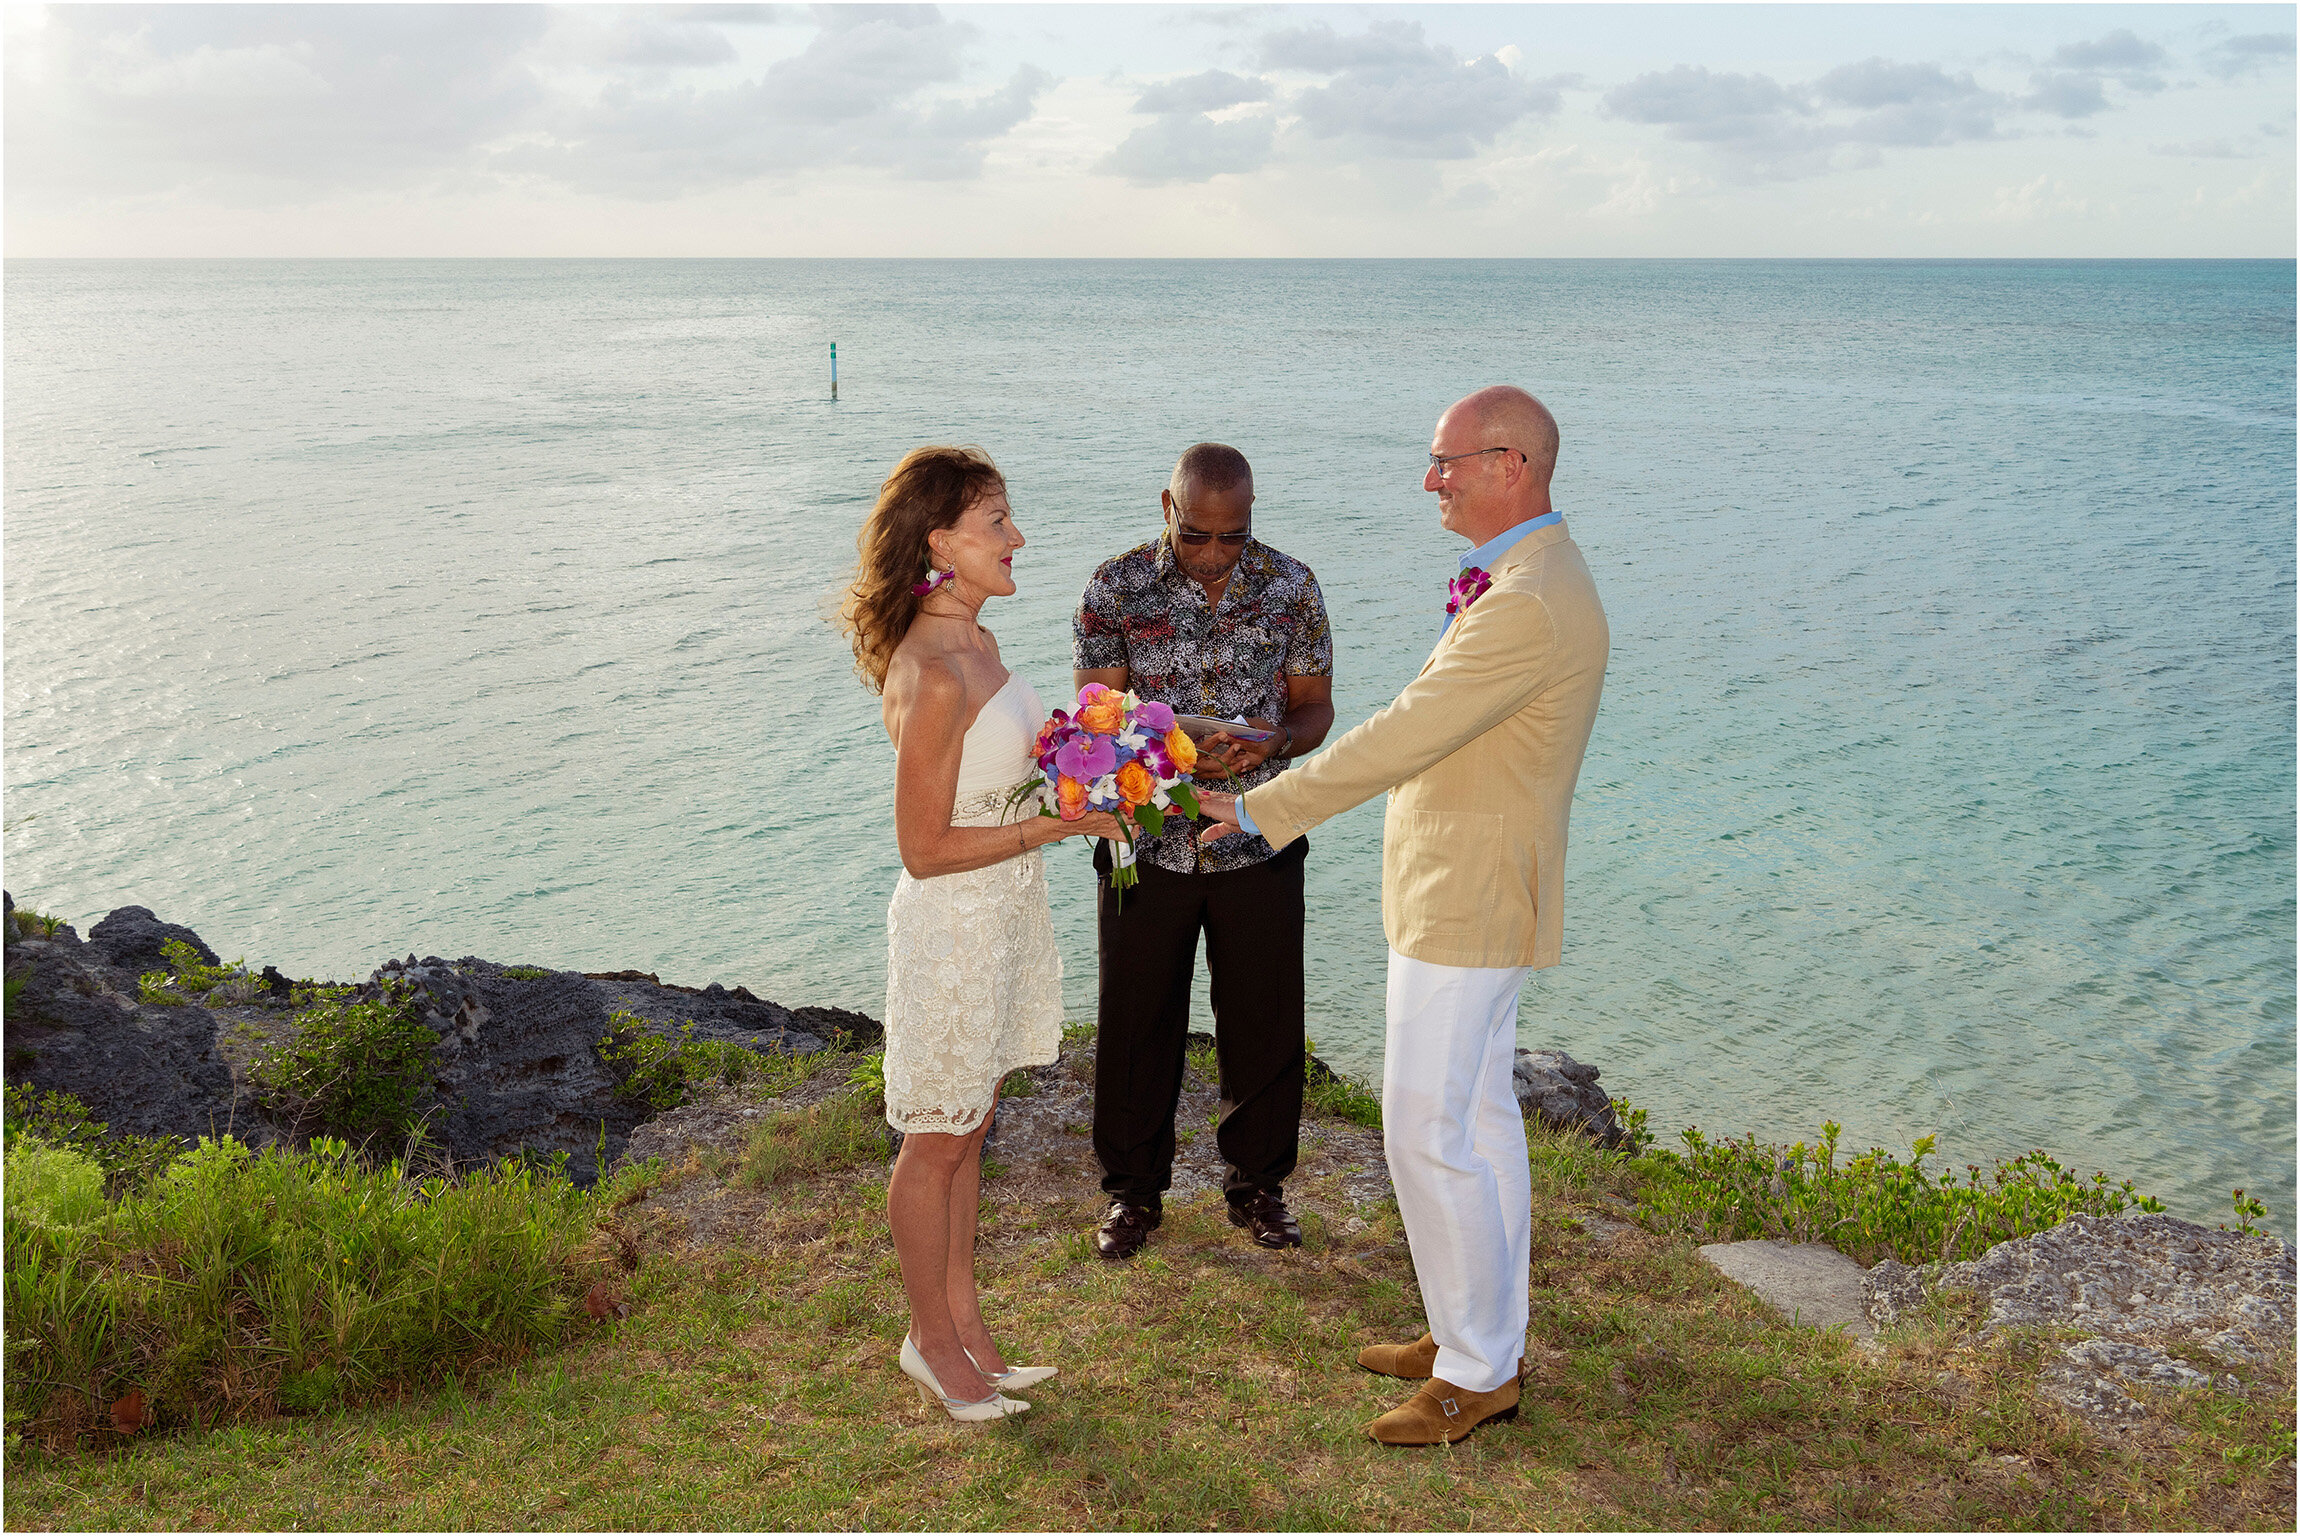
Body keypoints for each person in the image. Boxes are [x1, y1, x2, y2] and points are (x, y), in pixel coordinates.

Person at [1200, 387, 1609, 1447]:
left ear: (1507, 461)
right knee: (1475, 1116)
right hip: (1467, 885)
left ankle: (1476, 1371)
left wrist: (1261, 808)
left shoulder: (1524, 599)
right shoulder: (1531, 576)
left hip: (1466, 896)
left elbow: (1408, 731)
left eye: (1444, 462)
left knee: (1425, 1125)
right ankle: (1475, 1335)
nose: (1429, 479)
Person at [843, 445, 1124, 1423]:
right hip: (952, 925)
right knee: (935, 1140)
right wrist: (1058, 823)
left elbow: (995, 784)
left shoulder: (980, 648)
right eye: (997, 521)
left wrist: (1087, 781)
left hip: (1003, 912)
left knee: (971, 1129)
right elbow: (922, 846)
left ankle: (967, 1332)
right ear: (940, 542)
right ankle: (928, 1342)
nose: (1017, 538)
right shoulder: (929, 666)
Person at [1071, 443, 1335, 1260]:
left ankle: (1258, 1188)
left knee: (1263, 1020)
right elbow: (1099, 715)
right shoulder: (1114, 588)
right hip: (1145, 839)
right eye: (1197, 536)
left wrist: (1274, 743)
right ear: (1166, 508)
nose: (1216, 554)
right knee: (1135, 1021)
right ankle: (1131, 1195)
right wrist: (1185, 739)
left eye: (1234, 535)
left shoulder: (1292, 587)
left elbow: (1315, 709)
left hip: (1258, 835)